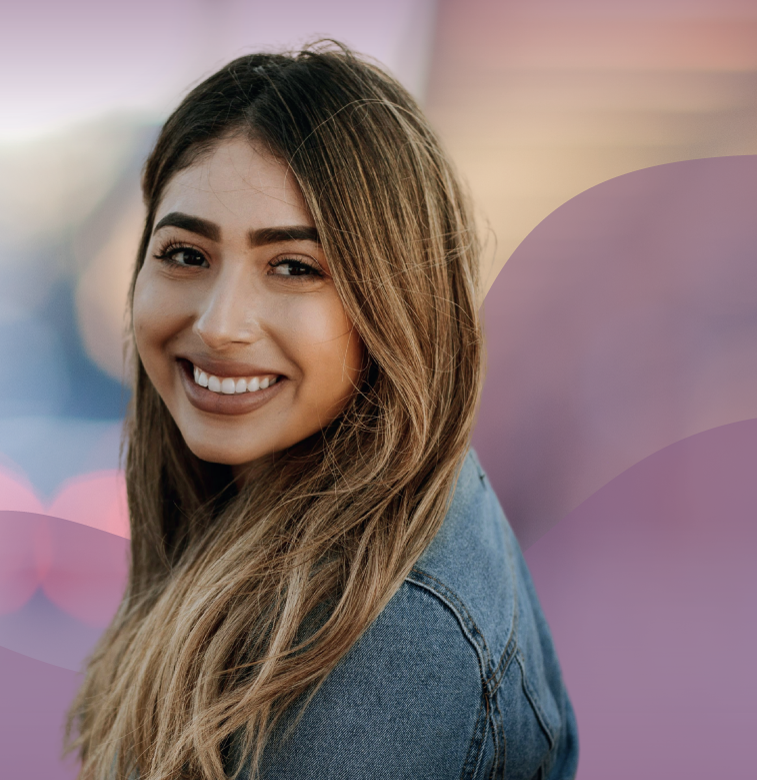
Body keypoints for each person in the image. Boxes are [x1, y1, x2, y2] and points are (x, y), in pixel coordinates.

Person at [67, 41, 578, 780]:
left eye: (295, 267)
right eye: (185, 255)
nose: (218, 324)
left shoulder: (375, 641)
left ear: (396, 306)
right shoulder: (291, 520)